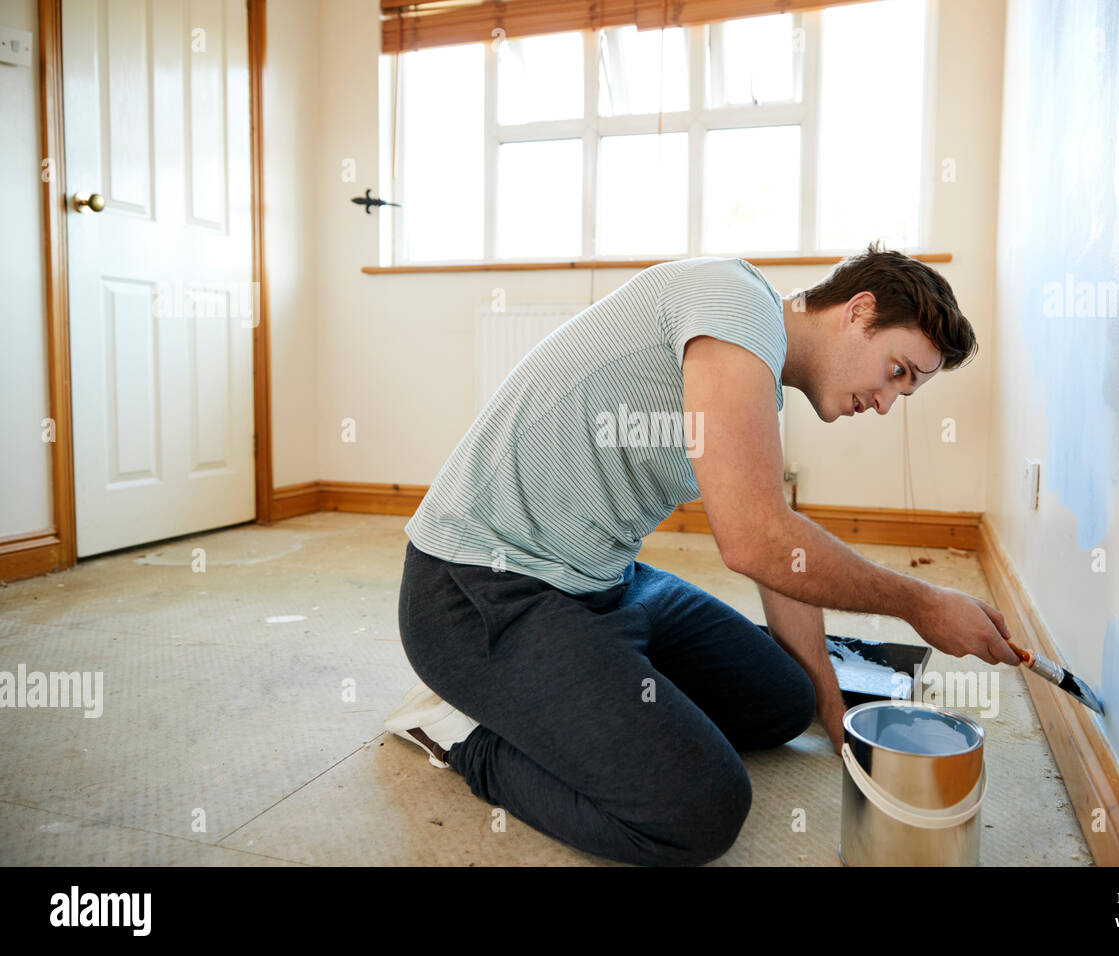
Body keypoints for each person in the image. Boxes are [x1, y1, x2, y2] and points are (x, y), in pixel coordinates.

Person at [387, 241, 1018, 867]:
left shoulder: (758, 368)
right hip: (480, 591)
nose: (884, 402)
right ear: (857, 310)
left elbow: (779, 540)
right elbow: (754, 539)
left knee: (785, 702)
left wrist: (828, 703)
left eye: (904, 393)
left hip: (607, 583)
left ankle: (585, 684)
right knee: (698, 809)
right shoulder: (733, 304)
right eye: (896, 371)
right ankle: (460, 733)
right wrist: (922, 602)